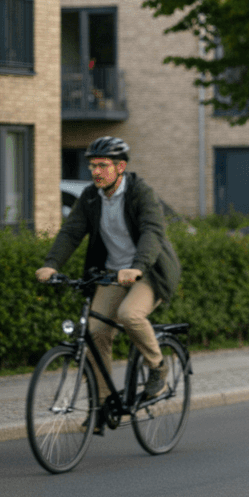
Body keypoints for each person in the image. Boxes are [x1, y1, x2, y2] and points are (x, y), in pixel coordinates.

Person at [36, 137, 182, 427]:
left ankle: (157, 367)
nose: (96, 172)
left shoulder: (140, 193)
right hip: (112, 273)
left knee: (130, 314)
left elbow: (152, 232)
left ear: (120, 167)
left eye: (103, 165)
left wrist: (137, 267)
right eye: (92, 166)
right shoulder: (91, 197)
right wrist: (51, 264)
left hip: (149, 272)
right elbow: (71, 232)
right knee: (95, 333)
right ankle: (102, 404)